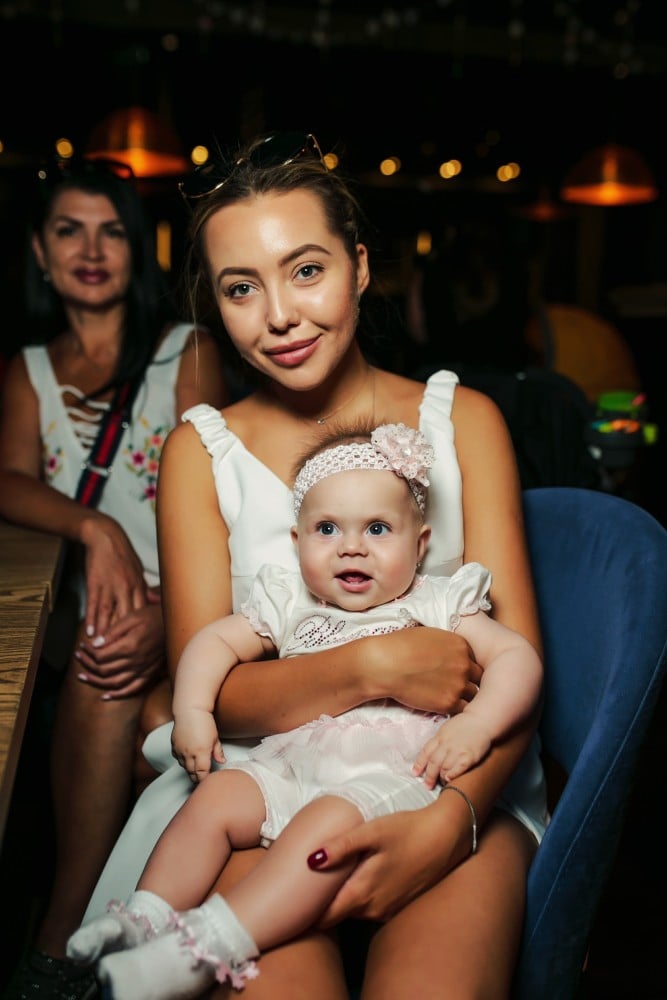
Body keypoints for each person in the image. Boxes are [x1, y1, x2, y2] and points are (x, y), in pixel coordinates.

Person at [80, 129, 547, 999]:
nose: (280, 316)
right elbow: (209, 691)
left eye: (305, 270)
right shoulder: (200, 453)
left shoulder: (462, 422)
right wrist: (374, 665)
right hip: (262, 783)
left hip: (455, 781)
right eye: (240, 288)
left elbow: (519, 673)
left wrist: (447, 823)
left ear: (359, 266)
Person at [66, 420, 545, 999]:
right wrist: (191, 710)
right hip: (295, 765)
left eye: (377, 529)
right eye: (327, 529)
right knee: (217, 798)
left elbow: (518, 658)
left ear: (420, 546)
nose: (351, 547)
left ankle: (203, 945)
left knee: (325, 825)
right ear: (297, 542)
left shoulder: (438, 600)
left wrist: (478, 724)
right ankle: (143, 919)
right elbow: (213, 644)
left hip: (393, 777)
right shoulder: (290, 599)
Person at [0, 155, 228, 999]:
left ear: (137, 250)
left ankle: (59, 940)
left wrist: (166, 608)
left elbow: (223, 504)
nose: (91, 251)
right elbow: (8, 477)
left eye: (111, 232)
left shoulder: (185, 352)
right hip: (80, 615)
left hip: (197, 604)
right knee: (101, 644)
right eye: (69, 230)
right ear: (39, 249)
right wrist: (95, 529)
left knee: (113, 666)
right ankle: (93, 945)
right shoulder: (28, 369)